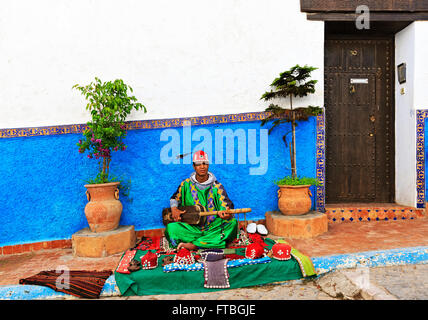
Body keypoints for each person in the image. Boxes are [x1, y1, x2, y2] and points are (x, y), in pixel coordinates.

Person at [165, 150, 238, 250]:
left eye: (205, 163)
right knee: (171, 228)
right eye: (198, 164)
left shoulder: (217, 187)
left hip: (212, 227)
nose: (202, 167)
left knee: (232, 223)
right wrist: (174, 209)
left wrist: (226, 214)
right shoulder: (186, 184)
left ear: (208, 165)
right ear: (194, 166)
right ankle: (210, 241)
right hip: (192, 228)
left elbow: (226, 206)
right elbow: (174, 198)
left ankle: (194, 245)